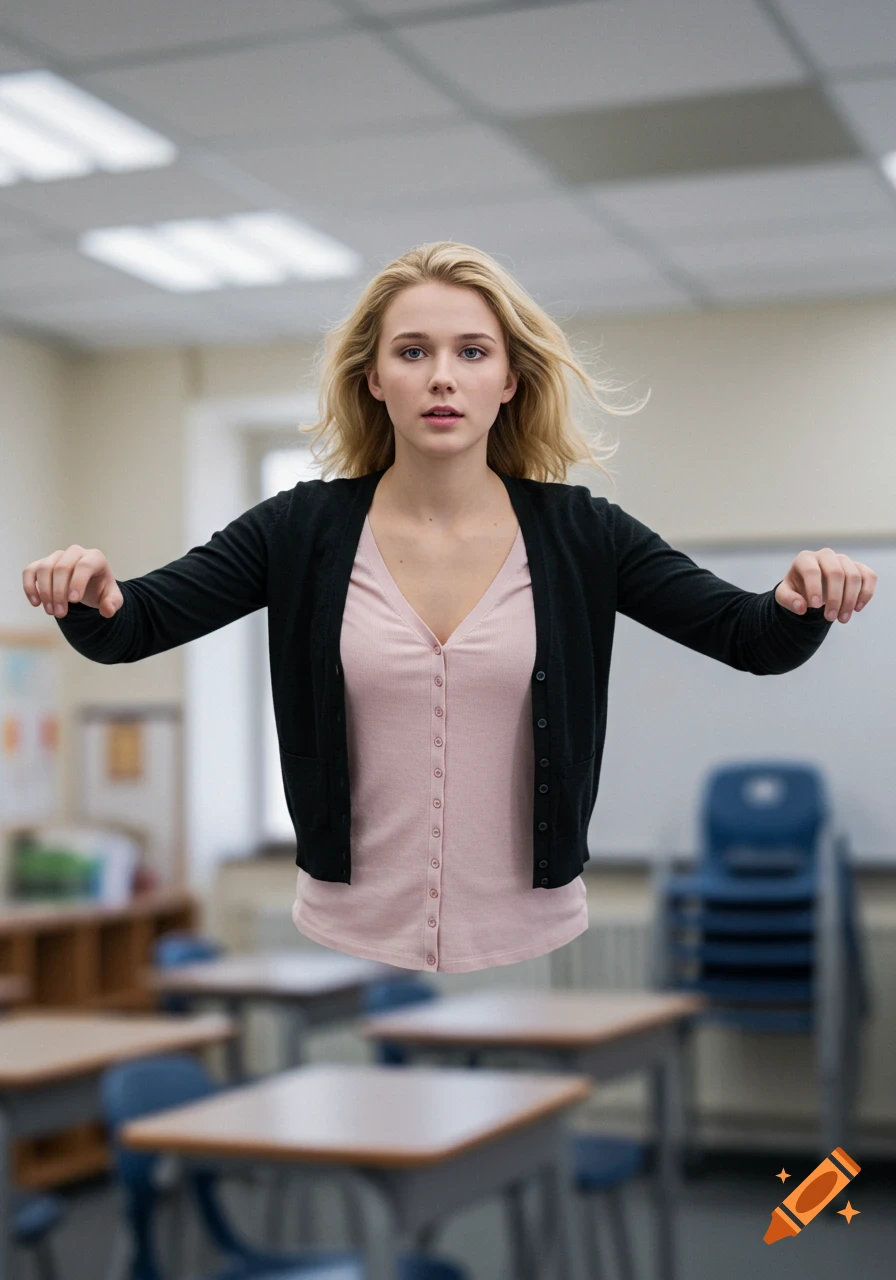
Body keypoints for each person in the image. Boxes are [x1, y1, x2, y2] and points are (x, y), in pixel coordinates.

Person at [24, 241, 877, 973]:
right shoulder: (300, 530)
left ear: (510, 379)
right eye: (413, 352)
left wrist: (800, 600)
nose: (442, 377)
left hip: (533, 931)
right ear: (373, 379)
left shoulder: (583, 534)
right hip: (345, 926)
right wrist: (89, 595)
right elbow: (131, 625)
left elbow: (750, 635)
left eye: (472, 352)